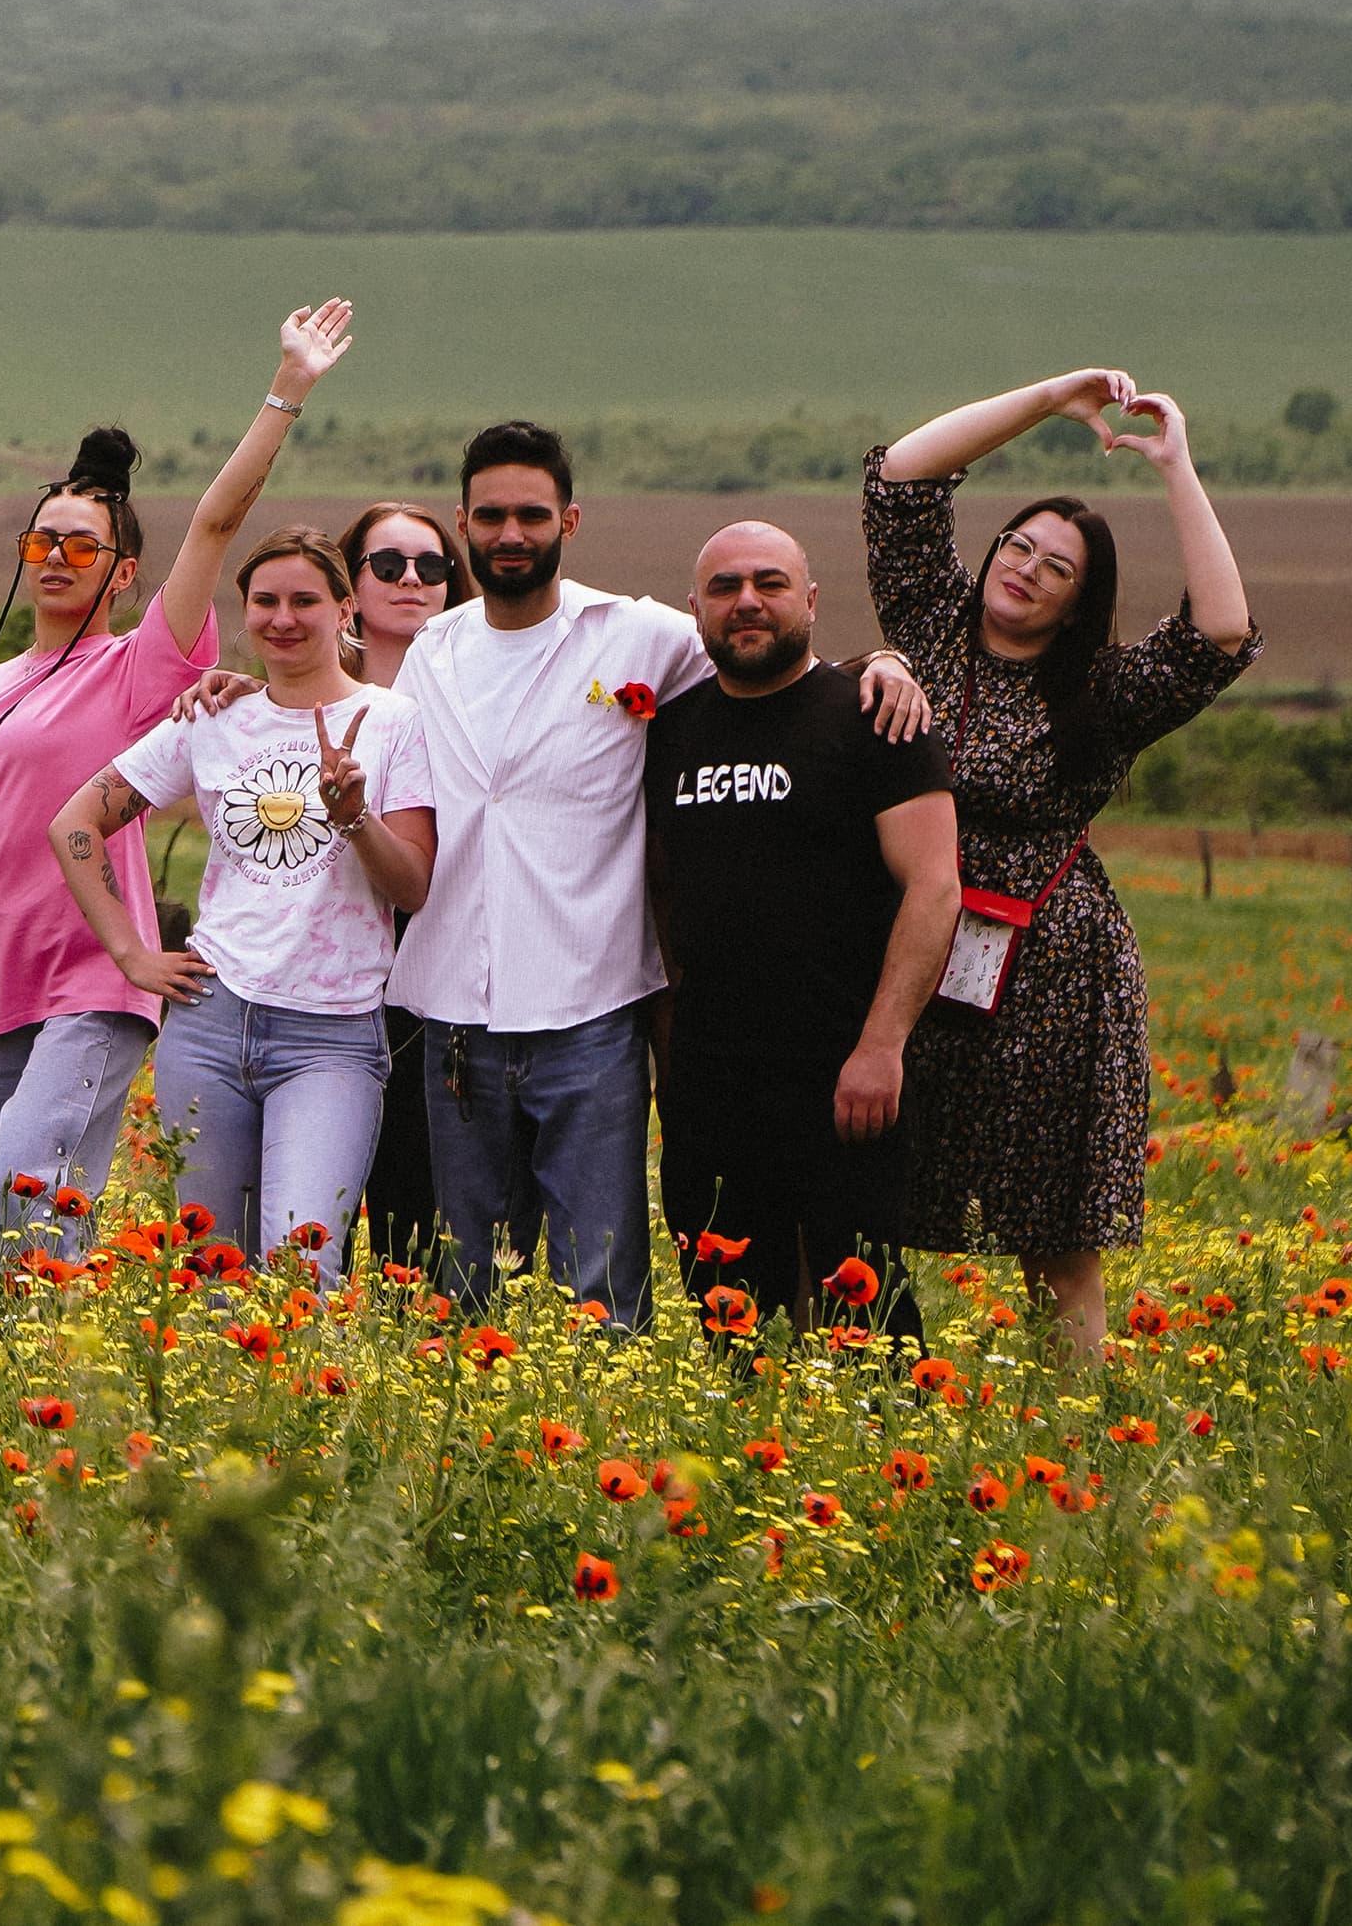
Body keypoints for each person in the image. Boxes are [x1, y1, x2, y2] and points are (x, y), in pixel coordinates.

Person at [385, 421, 925, 1328]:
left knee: (601, 1282)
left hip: (591, 1012)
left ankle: (601, 1440)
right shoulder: (430, 656)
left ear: (570, 518)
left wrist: (882, 665)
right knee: (467, 1277)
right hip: (455, 1019)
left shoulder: (634, 636)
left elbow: (767, 654)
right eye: (490, 516)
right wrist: (240, 690)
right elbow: (344, 715)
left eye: (530, 513)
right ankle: (478, 1439)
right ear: (463, 525)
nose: (510, 533)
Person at [0, 302, 355, 1223]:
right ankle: (28, 1367)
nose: (56, 557)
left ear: (121, 572)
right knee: (1, 1210)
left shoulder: (139, 666)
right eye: (41, 541)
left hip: (90, 973)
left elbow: (213, 525)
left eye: (81, 545)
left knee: (23, 1189)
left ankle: (47, 1361)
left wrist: (285, 391)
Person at [869, 371, 1257, 1354]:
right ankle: (867, 1395)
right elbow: (906, 475)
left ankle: (1074, 1447)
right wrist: (1051, 400)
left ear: (1083, 602)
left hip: (1052, 972)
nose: (1028, 570)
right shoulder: (930, 626)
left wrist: (1175, 466)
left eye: (1059, 568)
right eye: (1020, 545)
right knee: (869, 1197)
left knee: (1058, 1240)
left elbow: (1219, 632)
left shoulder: (1101, 693)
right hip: (911, 954)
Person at [49, 530, 434, 1266]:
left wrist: (353, 814)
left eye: (304, 600)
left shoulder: (393, 722)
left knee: (301, 1268)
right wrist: (131, 954)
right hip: (211, 1024)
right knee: (210, 1268)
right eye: (265, 601)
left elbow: (412, 882)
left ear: (345, 609)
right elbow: (76, 822)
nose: (282, 617)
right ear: (246, 611)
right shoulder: (213, 717)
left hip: (331, 1034)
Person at [644, 522, 959, 1338]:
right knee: (725, 1314)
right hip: (710, 1078)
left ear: (811, 600)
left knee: (867, 1314)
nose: (747, 601)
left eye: (770, 582)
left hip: (844, 1071)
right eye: (724, 587)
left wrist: (883, 1044)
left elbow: (933, 886)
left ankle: (887, 1455)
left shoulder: (876, 719)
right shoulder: (669, 732)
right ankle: (743, 1459)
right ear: (695, 610)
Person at [336, 500, 470, 1268]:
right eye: (388, 564)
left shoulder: (474, 693)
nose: (412, 579)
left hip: (435, 975)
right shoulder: (297, 691)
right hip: (321, 979)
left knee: (412, 1206)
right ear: (348, 584)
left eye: (432, 566)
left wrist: (872, 663)